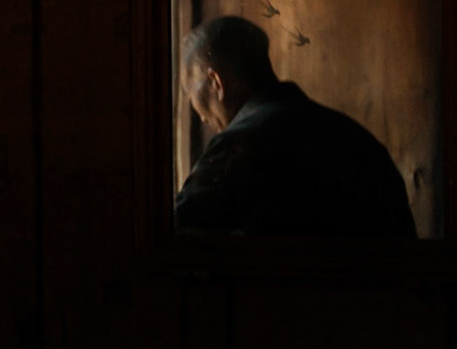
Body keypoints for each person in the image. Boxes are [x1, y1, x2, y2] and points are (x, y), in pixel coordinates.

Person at [175, 15, 417, 237]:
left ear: (215, 82)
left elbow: (176, 232)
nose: (199, 114)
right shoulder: (357, 138)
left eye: (189, 92)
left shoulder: (238, 146)